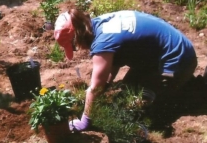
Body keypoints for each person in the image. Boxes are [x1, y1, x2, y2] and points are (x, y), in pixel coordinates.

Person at [54, 9, 198, 132]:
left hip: (179, 60)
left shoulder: (103, 42)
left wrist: (85, 121)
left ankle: (186, 89)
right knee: (127, 89)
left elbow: (95, 88)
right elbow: (114, 60)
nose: (78, 50)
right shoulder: (99, 23)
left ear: (77, 37)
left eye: (73, 47)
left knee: (140, 106)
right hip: (161, 53)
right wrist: (108, 83)